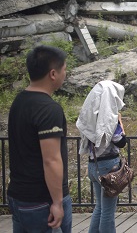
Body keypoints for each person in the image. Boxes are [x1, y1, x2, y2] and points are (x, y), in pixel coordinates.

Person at [7, 45, 72, 232]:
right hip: (42, 202)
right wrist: (58, 203)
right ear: (53, 73)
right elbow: (51, 160)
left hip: (19, 196)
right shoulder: (49, 109)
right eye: (64, 69)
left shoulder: (19, 101)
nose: (65, 74)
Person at [76, 80, 128, 232]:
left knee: (99, 208)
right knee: (107, 212)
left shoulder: (90, 118)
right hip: (108, 168)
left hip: (94, 165)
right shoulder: (109, 119)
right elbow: (121, 142)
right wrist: (121, 127)